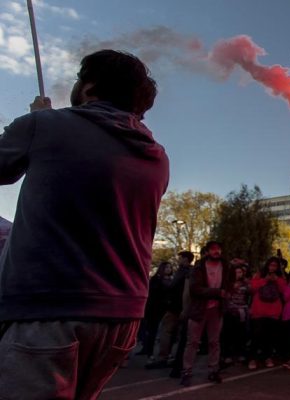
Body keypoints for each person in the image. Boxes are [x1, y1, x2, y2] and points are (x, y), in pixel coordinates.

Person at [0, 49, 167, 399]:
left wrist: (37, 122)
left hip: (51, 307)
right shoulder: (157, 156)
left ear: (90, 87)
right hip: (122, 315)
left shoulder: (44, 126)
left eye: (78, 79)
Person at [181, 241, 233, 386]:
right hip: (199, 309)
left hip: (216, 309)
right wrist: (217, 292)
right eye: (213, 249)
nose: (216, 252)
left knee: (214, 342)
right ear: (208, 251)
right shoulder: (199, 267)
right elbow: (195, 289)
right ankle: (186, 371)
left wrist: (227, 293)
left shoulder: (226, 266)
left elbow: (230, 283)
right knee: (192, 341)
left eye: (218, 249)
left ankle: (213, 370)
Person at [247, 257, 286, 369]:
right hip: (259, 311)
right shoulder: (259, 275)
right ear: (267, 265)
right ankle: (252, 358)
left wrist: (276, 280)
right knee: (256, 335)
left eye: (275, 265)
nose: (272, 267)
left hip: (273, 312)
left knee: (270, 336)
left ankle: (267, 357)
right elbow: (252, 287)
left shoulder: (280, 277)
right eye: (271, 265)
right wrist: (265, 280)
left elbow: (284, 290)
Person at [167, 251, 196, 377]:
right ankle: (176, 362)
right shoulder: (188, 271)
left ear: (185, 259)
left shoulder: (185, 272)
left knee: (172, 332)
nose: (179, 260)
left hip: (179, 306)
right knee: (181, 336)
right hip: (181, 306)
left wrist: (185, 308)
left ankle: (173, 361)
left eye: (181, 258)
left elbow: (182, 290)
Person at [141, 262, 176, 360]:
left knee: (167, 332)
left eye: (170, 267)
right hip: (155, 309)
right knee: (153, 332)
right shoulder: (156, 280)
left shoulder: (172, 280)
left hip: (168, 309)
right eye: (166, 267)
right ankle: (150, 353)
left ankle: (166, 352)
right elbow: (152, 295)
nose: (169, 269)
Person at [222, 265, 250, 367]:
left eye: (240, 272)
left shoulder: (245, 283)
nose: (238, 274)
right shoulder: (228, 283)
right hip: (230, 310)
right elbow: (225, 297)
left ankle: (240, 353)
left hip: (242, 310)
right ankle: (227, 354)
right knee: (229, 333)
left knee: (241, 333)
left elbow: (249, 293)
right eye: (236, 272)